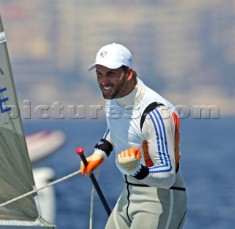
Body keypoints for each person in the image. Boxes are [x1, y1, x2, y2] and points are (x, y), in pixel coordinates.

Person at [80, 43, 187, 229]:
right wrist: (99, 153)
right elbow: (118, 126)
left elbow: (168, 175)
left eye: (111, 74)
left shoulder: (155, 112)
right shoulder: (114, 98)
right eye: (99, 74)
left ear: (129, 73)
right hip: (128, 194)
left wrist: (137, 170)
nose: (104, 81)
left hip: (161, 199)